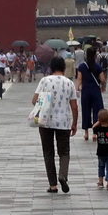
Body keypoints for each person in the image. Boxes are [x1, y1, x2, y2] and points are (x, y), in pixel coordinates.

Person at [31, 57, 78, 193]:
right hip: (64, 122)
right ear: (64, 68)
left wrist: (44, 104)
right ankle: (63, 175)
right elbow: (74, 106)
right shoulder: (69, 83)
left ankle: (53, 185)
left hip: (46, 121)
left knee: (48, 152)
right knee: (64, 152)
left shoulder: (45, 81)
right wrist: (74, 123)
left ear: (51, 68)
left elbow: (34, 100)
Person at [75, 47, 106, 141]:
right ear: (95, 55)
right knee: (97, 111)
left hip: (85, 90)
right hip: (95, 90)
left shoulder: (81, 66)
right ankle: (95, 133)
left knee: (86, 111)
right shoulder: (97, 66)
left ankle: (86, 133)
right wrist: (103, 87)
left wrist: (76, 89)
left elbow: (79, 79)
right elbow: (103, 79)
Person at [92, 108, 108, 190]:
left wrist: (98, 122)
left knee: (101, 167)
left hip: (100, 152)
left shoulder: (98, 129)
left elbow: (93, 127)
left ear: (98, 119)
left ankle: (100, 182)